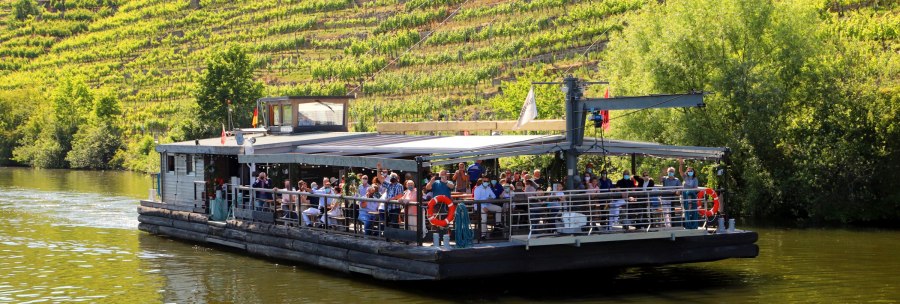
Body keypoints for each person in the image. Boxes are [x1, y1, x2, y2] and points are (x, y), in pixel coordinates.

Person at [679, 159, 700, 229]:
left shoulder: (695, 179)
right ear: (687, 172)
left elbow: (696, 188)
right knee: (684, 208)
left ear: (693, 172)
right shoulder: (685, 177)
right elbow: (680, 171)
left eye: (691, 171)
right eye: (689, 171)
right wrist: (681, 164)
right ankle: (685, 224)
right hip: (684, 195)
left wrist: (690, 191)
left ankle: (691, 224)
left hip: (691, 196)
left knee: (690, 209)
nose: (690, 172)